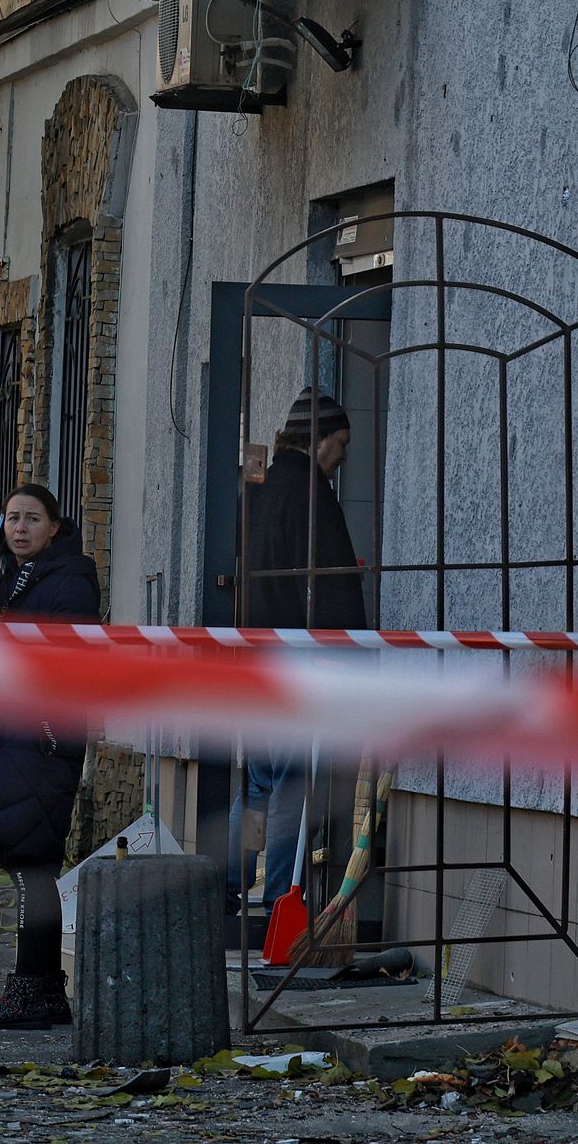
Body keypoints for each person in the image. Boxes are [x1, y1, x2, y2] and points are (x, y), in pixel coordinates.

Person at [0, 483, 98, 1031]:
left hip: (40, 738)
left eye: (31, 519)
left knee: (33, 861)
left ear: (54, 527)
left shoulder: (71, 579)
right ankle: (42, 991)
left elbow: (59, 649)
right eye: (11, 518)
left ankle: (33, 991)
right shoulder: (7, 576)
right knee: (23, 861)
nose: (18, 529)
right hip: (2, 735)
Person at [230, 387, 368, 915]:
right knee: (293, 785)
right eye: (342, 443)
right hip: (301, 660)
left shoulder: (258, 486)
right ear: (321, 440)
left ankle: (233, 882)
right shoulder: (312, 492)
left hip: (255, 655)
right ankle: (279, 902)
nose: (344, 456)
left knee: (259, 782)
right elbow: (335, 588)